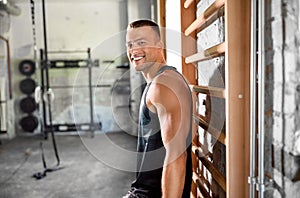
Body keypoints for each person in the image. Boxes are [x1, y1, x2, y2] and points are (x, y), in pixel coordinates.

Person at [123, 19, 192, 198]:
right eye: (130, 44)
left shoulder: (164, 84)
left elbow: (177, 156)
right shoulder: (156, 83)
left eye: (141, 43)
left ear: (159, 45)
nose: (134, 50)